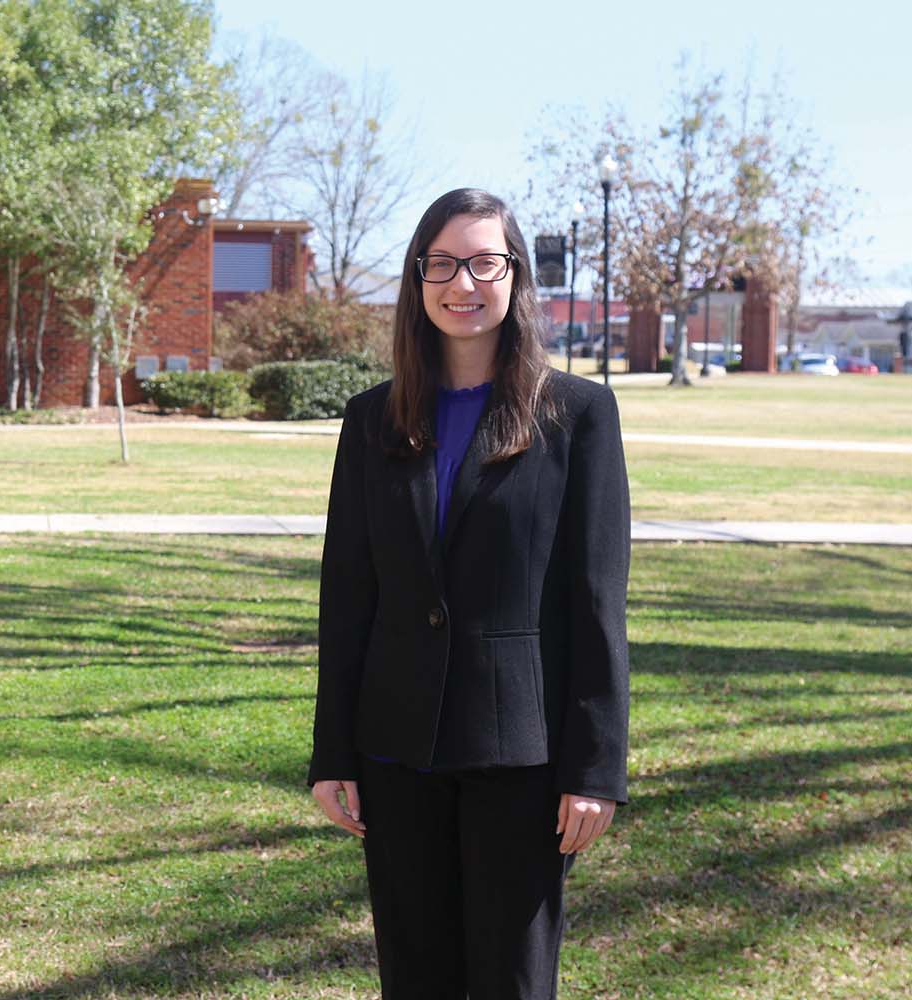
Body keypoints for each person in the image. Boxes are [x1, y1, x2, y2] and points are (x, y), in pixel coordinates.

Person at [308, 188, 630, 999]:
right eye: (443, 264)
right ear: (418, 279)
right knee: (414, 977)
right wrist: (332, 754)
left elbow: (596, 600)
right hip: (395, 747)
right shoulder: (370, 420)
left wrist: (595, 767)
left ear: (516, 277)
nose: (464, 283)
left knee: (510, 982)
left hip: (522, 755)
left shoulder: (577, 415)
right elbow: (348, 596)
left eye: (485, 262)